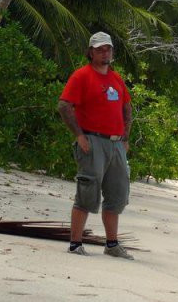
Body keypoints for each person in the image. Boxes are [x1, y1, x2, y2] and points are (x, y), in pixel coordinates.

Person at [57, 32, 134, 259]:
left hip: (116, 144)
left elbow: (127, 108)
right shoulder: (82, 76)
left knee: (117, 194)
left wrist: (126, 138)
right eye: (100, 49)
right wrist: (79, 135)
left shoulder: (116, 78)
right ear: (91, 52)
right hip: (93, 141)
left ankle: (111, 244)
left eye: (108, 48)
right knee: (87, 192)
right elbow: (64, 106)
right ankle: (75, 243)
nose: (105, 52)